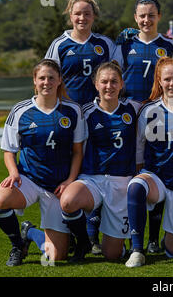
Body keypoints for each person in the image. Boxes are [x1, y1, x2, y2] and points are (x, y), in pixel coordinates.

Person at [0, 59, 85, 266]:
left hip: (58, 186)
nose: (46, 82)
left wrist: (70, 180)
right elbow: (9, 150)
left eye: (51, 78)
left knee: (55, 258)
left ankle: (30, 232)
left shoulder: (72, 110)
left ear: (60, 80)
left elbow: (78, 152)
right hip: (29, 180)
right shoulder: (20, 111)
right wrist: (14, 173)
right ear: (34, 81)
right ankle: (17, 244)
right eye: (42, 78)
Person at [45, 0, 116, 254]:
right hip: (69, 118)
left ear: (94, 16)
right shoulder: (60, 44)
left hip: (99, 116)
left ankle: (92, 234)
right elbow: (49, 77)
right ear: (70, 16)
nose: (82, 17)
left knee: (95, 170)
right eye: (77, 13)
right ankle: (71, 230)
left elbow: (116, 75)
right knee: (69, 172)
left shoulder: (106, 44)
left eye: (87, 13)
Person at [113, 0, 173, 253]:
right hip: (130, 115)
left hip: (159, 112)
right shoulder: (123, 45)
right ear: (135, 17)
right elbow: (114, 79)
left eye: (151, 16)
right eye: (142, 16)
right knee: (128, 173)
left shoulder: (168, 45)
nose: (146, 20)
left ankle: (153, 238)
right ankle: (117, 233)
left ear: (159, 17)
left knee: (156, 170)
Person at [51, 61, 141, 262]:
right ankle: (83, 241)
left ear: (122, 84)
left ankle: (117, 242)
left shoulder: (134, 109)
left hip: (121, 183)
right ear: (96, 84)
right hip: (92, 179)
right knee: (68, 201)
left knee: (112, 255)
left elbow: (159, 102)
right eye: (104, 82)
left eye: (114, 82)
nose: (109, 86)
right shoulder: (84, 112)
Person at [125, 57, 173, 267]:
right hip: (155, 177)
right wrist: (140, 173)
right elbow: (139, 148)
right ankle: (137, 249)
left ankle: (170, 235)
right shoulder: (148, 110)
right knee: (136, 187)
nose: (172, 83)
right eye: (167, 79)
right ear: (159, 80)